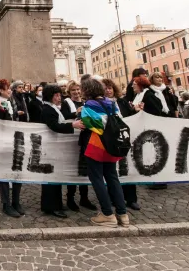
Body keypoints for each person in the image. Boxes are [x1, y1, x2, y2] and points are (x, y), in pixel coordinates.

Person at [77, 77, 129, 228]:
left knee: (97, 178)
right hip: (112, 145)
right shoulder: (112, 103)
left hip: (97, 145)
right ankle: (122, 214)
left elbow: (89, 125)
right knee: (113, 177)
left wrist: (81, 113)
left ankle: (107, 214)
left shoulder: (89, 105)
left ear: (87, 91)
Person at [38, 84, 75, 218]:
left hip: (55, 147)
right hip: (50, 148)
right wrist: (73, 125)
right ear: (50, 96)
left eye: (60, 95)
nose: (60, 98)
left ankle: (55, 203)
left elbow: (62, 117)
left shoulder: (52, 108)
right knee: (51, 178)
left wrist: (75, 114)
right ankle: (52, 206)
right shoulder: (47, 109)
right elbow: (55, 126)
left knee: (56, 177)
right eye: (57, 95)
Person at [102, 79, 139, 210]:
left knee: (127, 168)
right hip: (111, 141)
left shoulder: (122, 102)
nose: (108, 90)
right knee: (113, 171)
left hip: (125, 139)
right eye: (106, 88)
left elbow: (131, 116)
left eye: (110, 88)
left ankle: (131, 198)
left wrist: (137, 111)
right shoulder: (100, 104)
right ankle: (114, 198)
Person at [0, 79, 24, 218]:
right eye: (7, 89)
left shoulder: (9, 102)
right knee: (4, 174)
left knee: (17, 171)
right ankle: (6, 204)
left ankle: (16, 201)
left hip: (13, 140)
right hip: (3, 143)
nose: (9, 90)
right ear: (0, 91)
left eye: (9, 88)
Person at [60, 80, 94, 211]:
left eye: (78, 89)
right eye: (73, 90)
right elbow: (63, 117)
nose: (76, 92)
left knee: (84, 168)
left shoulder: (86, 102)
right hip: (71, 139)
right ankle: (70, 198)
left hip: (85, 138)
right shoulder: (66, 103)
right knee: (72, 169)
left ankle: (84, 198)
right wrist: (75, 113)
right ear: (69, 92)